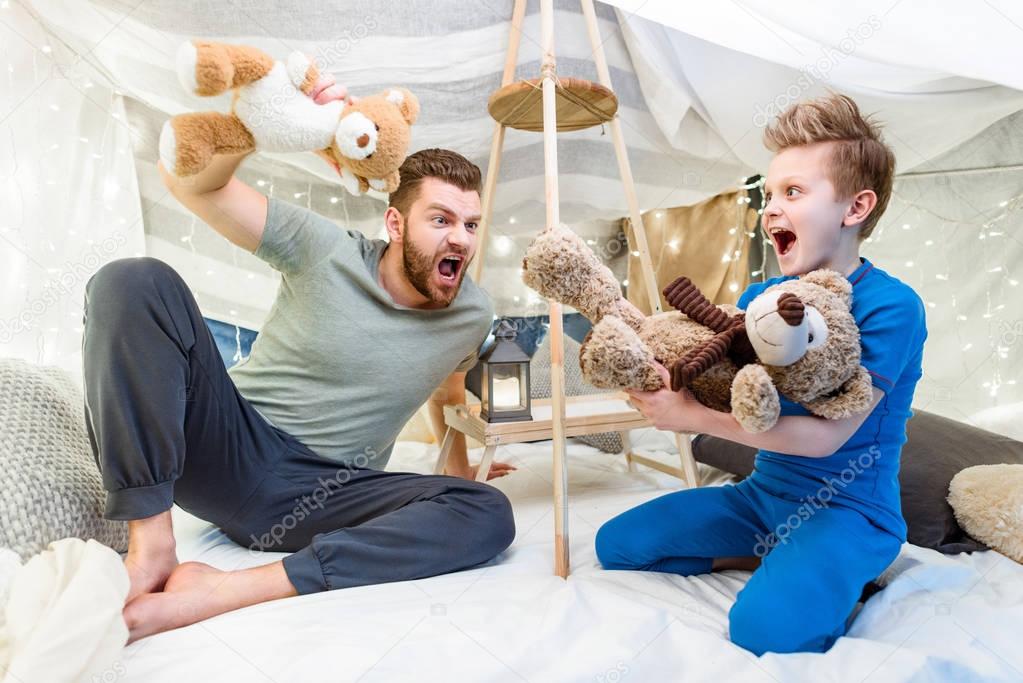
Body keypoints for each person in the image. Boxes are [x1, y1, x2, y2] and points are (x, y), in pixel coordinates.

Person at [83, 72, 515, 643]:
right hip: (228, 449)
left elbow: (446, 382)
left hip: (328, 493)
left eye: (470, 225)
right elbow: (189, 183)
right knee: (133, 281)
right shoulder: (324, 248)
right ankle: (152, 546)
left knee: (488, 512)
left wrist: (454, 467)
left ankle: (224, 590)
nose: (459, 238)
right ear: (394, 223)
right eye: (440, 219)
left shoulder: (473, 313)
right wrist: (262, 127)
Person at [595, 93, 928, 655]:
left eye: (794, 192)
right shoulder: (761, 298)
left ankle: (847, 566)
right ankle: (768, 553)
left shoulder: (891, 306)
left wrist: (690, 419)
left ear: (855, 207)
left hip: (849, 511)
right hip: (763, 499)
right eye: (769, 193)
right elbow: (712, 372)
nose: (770, 208)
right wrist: (663, 376)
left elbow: (827, 438)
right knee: (619, 544)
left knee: (764, 631)